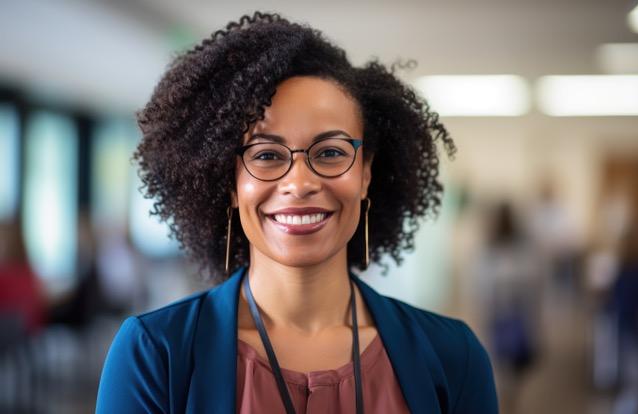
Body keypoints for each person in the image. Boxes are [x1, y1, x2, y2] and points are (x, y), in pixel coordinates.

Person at [96, 11, 498, 414]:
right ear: (230, 183)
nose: (300, 182)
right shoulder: (155, 354)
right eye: (267, 155)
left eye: (330, 153)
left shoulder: (453, 356)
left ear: (365, 174)